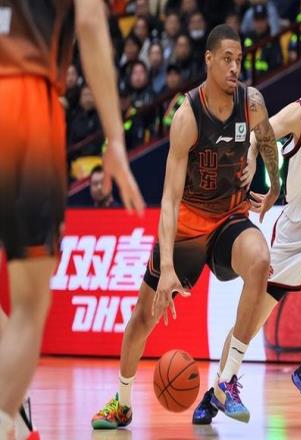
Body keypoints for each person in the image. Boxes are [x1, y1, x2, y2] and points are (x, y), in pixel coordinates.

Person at [91, 24, 280, 429]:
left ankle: (226, 382)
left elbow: (267, 140)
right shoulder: (187, 116)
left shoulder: (253, 103)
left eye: (239, 59)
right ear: (209, 60)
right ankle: (122, 401)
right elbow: (169, 199)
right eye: (227, 59)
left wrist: (274, 182)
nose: (235, 67)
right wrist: (167, 268)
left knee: (261, 262)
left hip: (230, 218)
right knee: (143, 317)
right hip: (187, 228)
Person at [193, 32, 301, 424]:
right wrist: (253, 162)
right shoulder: (299, 113)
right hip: (293, 233)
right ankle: (219, 387)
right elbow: (260, 134)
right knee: (250, 322)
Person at [0, 1, 145, 439]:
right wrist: (115, 139)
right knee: (29, 306)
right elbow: (89, 20)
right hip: (25, 99)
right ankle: (10, 413)